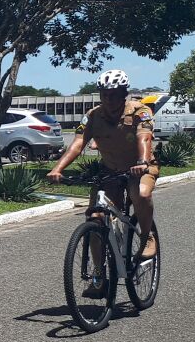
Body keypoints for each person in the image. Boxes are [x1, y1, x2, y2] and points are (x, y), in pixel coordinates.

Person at [46, 69, 158, 267]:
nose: (109, 99)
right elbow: (78, 143)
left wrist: (142, 162)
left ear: (124, 93)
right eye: (104, 95)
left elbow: (144, 137)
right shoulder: (92, 116)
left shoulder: (140, 111)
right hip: (110, 171)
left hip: (139, 168)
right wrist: (58, 169)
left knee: (140, 193)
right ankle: (98, 276)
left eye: (113, 95)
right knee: (96, 217)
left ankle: (146, 236)